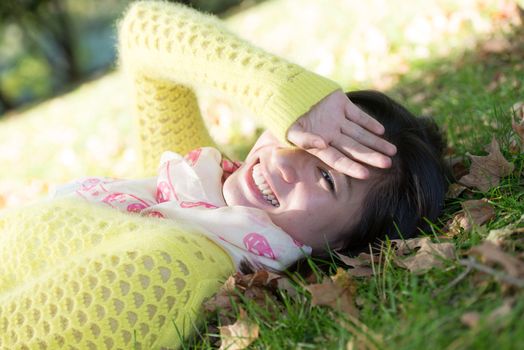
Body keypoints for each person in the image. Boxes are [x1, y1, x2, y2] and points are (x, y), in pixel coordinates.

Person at [0, 1, 448, 348]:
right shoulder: (186, 190)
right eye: (301, 136)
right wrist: (286, 91)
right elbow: (144, 31)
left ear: (345, 245)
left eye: (327, 178)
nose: (284, 162)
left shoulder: (182, 260)